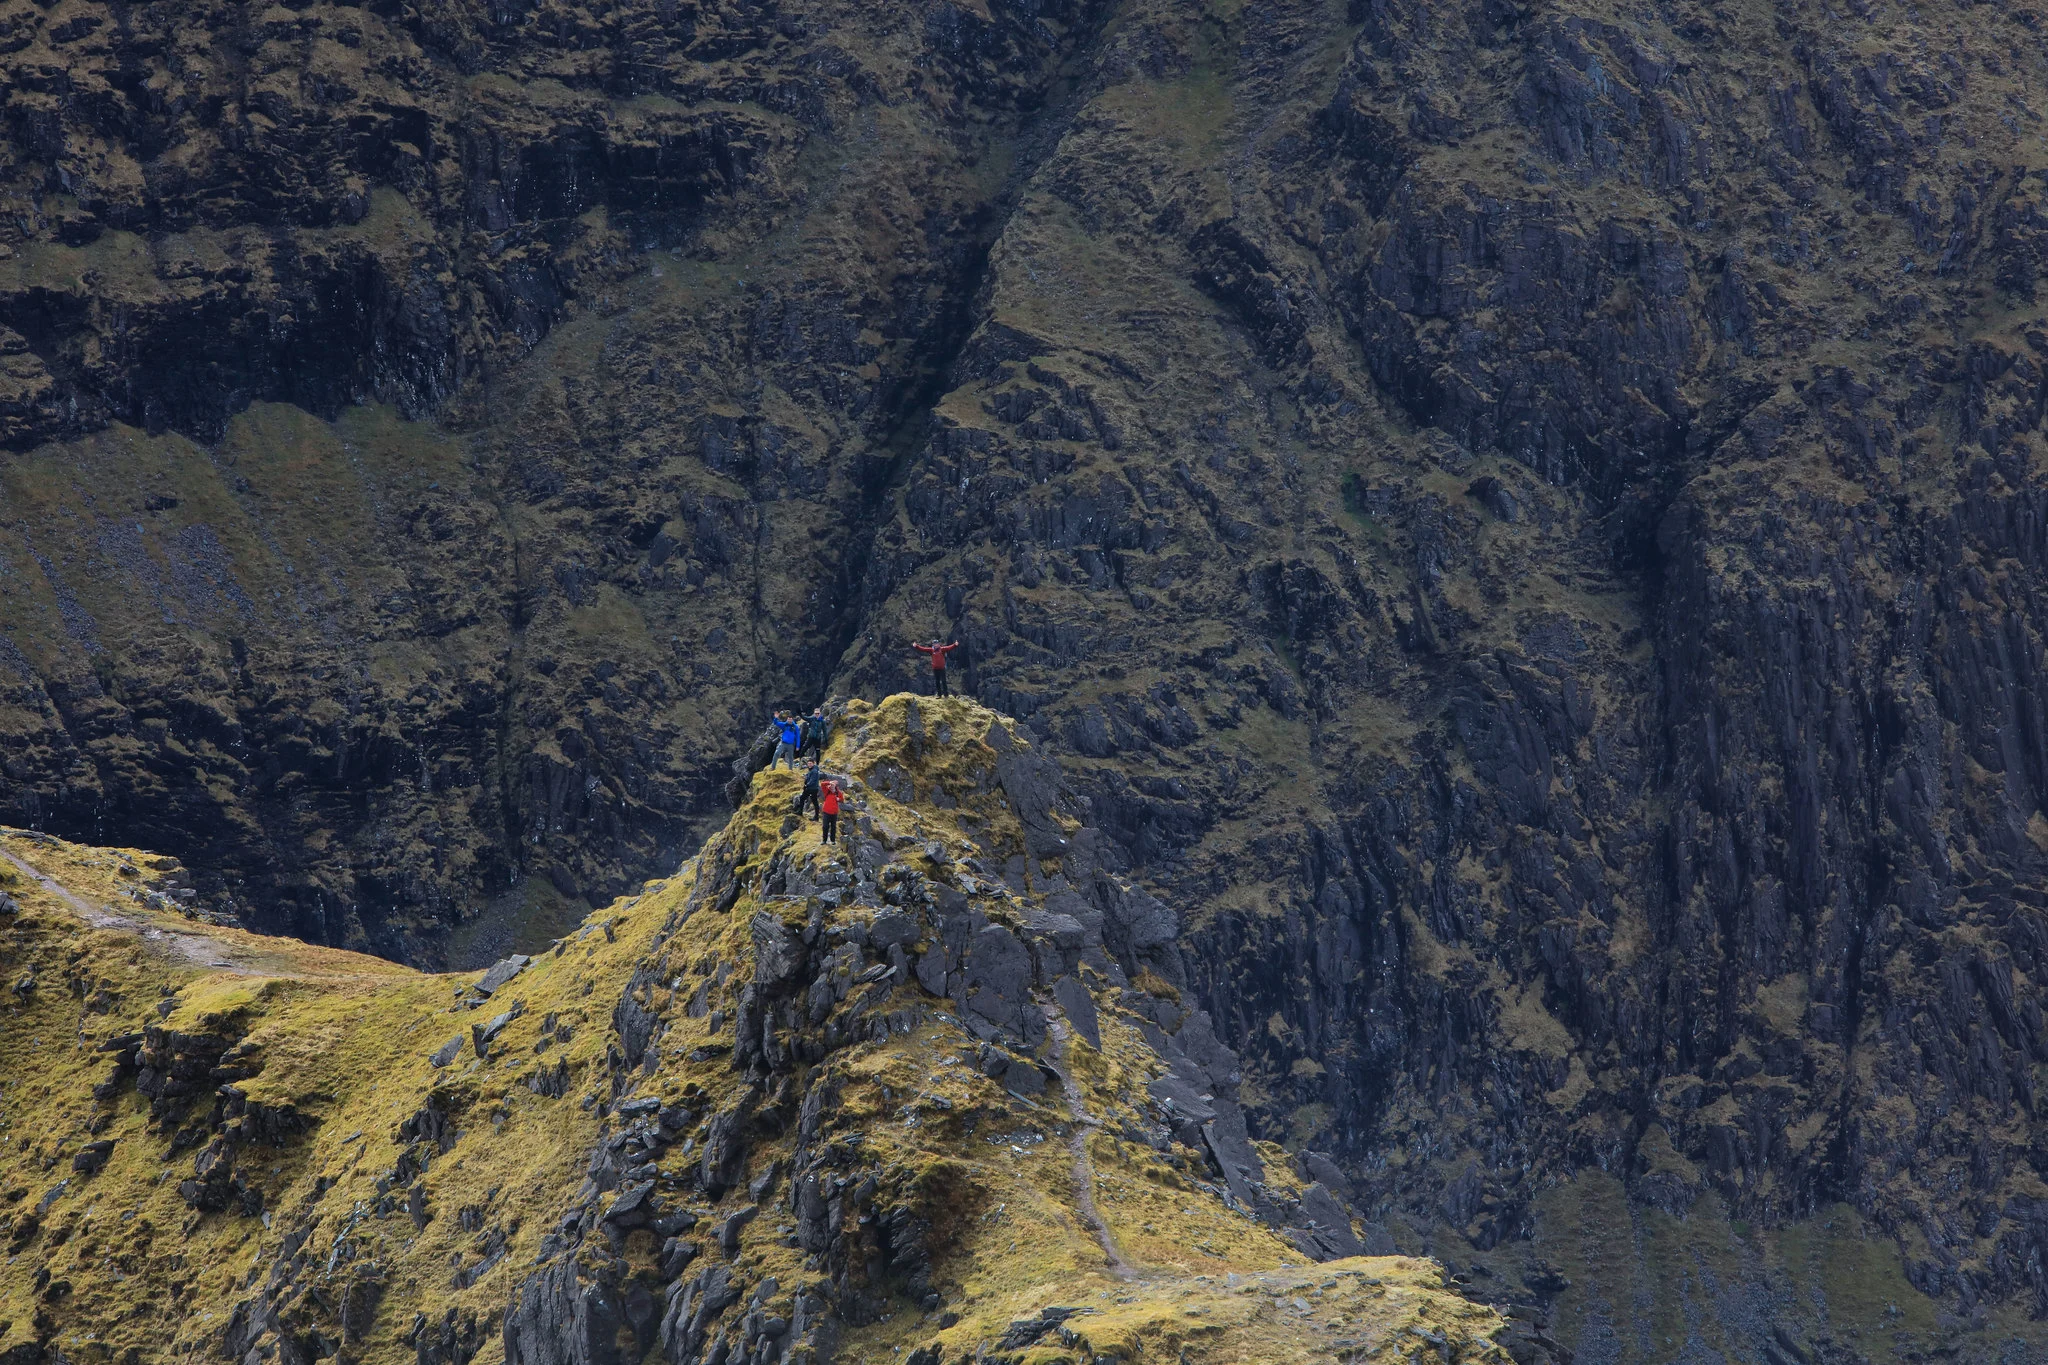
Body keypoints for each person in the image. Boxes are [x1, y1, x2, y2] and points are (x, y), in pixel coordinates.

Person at [819, 775, 842, 844]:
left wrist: (839, 799)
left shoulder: (838, 793)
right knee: (825, 826)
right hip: (826, 812)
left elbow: (842, 799)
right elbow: (822, 784)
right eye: (831, 786)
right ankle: (824, 840)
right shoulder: (827, 791)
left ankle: (833, 840)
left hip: (834, 813)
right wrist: (830, 782)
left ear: (835, 786)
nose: (832, 787)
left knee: (833, 827)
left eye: (833, 786)